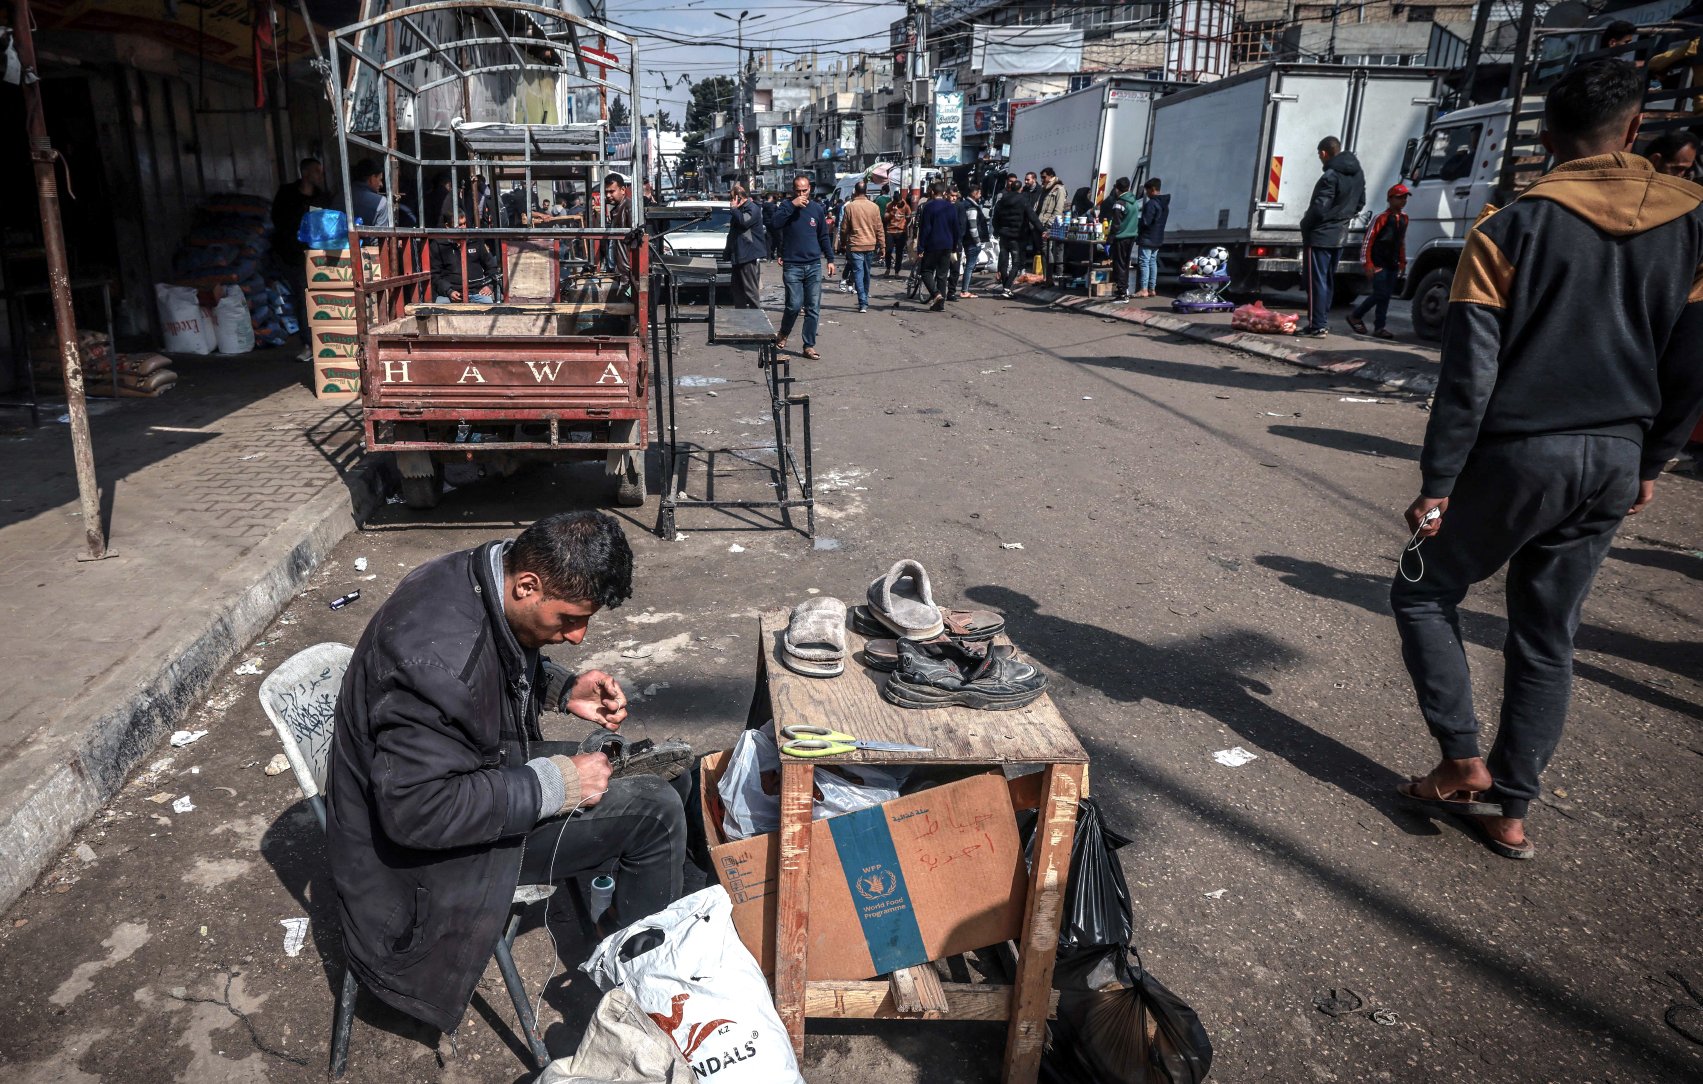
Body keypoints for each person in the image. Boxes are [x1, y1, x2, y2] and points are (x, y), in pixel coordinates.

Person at [1389, 61, 1703, 861]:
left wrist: (1436, 487)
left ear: (1545, 137)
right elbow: (1691, 368)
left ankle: (1461, 760)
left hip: (1518, 454)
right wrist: (1650, 463)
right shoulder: (1693, 226)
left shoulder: (1505, 228)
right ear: (1633, 130)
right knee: (1546, 633)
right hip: (1613, 459)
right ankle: (1511, 809)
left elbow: (1467, 376)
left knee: (1422, 590)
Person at [326, 512, 693, 1036]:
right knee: (654, 812)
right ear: (528, 585)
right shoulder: (435, 661)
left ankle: (631, 922)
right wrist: (560, 784)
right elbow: (417, 814)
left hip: (464, 776)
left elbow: (495, 656)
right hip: (418, 866)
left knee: (652, 768)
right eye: (568, 619)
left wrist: (561, 689)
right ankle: (646, 994)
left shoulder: (484, 572)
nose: (577, 636)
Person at [1298, 136, 1365, 337]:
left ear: (1324, 153)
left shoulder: (1330, 176)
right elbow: (1361, 203)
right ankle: (1322, 322)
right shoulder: (1358, 174)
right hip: (1340, 235)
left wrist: (1305, 223)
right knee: (1327, 280)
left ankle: (1316, 325)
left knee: (1316, 282)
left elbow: (1319, 208)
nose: (1320, 158)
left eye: (1319, 155)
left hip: (1320, 236)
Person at [770, 173, 835, 359]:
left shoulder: (817, 209)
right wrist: (792, 205)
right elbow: (775, 223)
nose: (802, 194)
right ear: (793, 191)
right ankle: (784, 332)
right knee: (793, 305)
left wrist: (830, 259)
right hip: (792, 265)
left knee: (812, 307)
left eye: (804, 191)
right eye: (798, 191)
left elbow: (823, 236)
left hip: (813, 265)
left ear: (810, 189)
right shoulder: (786, 207)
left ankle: (808, 345)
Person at [270, 157, 326, 361]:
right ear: (306, 173)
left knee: (316, 297)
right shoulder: (286, 194)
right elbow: (277, 221)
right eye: (317, 172)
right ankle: (308, 344)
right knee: (303, 298)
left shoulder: (321, 197)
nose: (320, 176)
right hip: (292, 256)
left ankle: (321, 341)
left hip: (315, 255)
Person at [1346, 184, 1409, 338]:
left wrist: (1402, 261)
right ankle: (1356, 315)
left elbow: (1400, 241)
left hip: (1392, 263)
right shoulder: (1381, 218)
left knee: (1385, 297)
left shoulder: (1404, 219)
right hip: (1378, 263)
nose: (1403, 201)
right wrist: (1367, 263)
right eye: (1399, 197)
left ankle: (1379, 327)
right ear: (1390, 199)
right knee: (1380, 294)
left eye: (1405, 197)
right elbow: (1368, 241)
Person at [429, 210, 499, 303]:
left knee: (488, 304)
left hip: (477, 292)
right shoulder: (438, 245)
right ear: (447, 226)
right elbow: (435, 275)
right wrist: (449, 291)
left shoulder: (476, 241)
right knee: (439, 306)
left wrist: (489, 286)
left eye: (464, 223)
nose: (463, 227)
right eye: (459, 224)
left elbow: (491, 267)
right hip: (450, 294)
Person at [836, 180, 884, 313]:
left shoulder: (850, 207)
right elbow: (879, 228)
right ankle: (865, 300)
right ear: (866, 191)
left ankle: (863, 302)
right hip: (870, 245)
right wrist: (883, 247)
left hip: (855, 245)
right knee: (866, 273)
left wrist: (843, 243)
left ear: (855, 192)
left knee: (858, 272)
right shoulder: (874, 207)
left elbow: (844, 228)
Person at [992, 175, 1040, 297]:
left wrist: (997, 230)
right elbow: (1032, 217)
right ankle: (1007, 288)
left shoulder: (1002, 200)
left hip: (1004, 235)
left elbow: (995, 217)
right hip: (1017, 236)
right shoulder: (1023, 200)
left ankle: (1005, 288)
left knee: (1003, 262)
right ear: (1019, 189)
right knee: (1016, 263)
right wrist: (1042, 229)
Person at [915, 180, 959, 312]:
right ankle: (941, 303)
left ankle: (936, 294)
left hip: (932, 245)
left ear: (933, 193)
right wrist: (954, 246)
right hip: (947, 244)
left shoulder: (928, 207)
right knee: (942, 274)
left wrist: (920, 247)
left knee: (926, 271)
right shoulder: (951, 207)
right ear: (944, 193)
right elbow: (956, 228)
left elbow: (925, 229)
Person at [724, 183, 768, 309]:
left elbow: (744, 222)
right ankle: (741, 315)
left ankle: (756, 316)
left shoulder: (751, 208)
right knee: (737, 289)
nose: (731, 202)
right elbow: (733, 233)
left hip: (748, 254)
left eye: (733, 198)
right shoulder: (740, 210)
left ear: (738, 198)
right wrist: (728, 252)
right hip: (738, 255)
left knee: (750, 290)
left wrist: (734, 209)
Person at [1134, 178, 1169, 299]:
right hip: (1158, 237)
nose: (1146, 194)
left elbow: (1145, 222)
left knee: (1144, 262)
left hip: (1147, 237)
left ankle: (1143, 289)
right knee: (1152, 262)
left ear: (1152, 189)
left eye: (1147, 191)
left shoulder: (1151, 204)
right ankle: (1152, 288)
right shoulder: (1164, 205)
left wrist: (1138, 224)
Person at [957, 182, 991, 299]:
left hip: (966, 239)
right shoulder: (971, 207)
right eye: (979, 192)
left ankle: (964, 289)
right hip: (971, 241)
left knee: (969, 265)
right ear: (975, 193)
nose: (980, 195)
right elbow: (973, 227)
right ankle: (965, 290)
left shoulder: (964, 204)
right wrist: (977, 241)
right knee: (970, 266)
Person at [1105, 177, 1136, 302]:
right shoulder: (1133, 202)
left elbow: (1115, 225)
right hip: (1131, 236)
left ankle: (1122, 293)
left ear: (1117, 189)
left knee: (1119, 265)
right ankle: (1124, 290)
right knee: (1125, 264)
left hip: (1121, 238)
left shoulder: (1119, 204)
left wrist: (1109, 241)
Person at [1036, 167, 1069, 281]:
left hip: (1051, 224)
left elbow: (1058, 210)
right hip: (1041, 223)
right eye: (1042, 177)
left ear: (1051, 176)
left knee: (1048, 249)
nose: (1042, 179)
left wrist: (1049, 224)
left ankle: (1050, 277)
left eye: (1044, 177)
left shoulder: (1059, 189)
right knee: (1044, 250)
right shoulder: (1045, 189)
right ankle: (1047, 277)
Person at [349, 159, 392, 235]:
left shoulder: (338, 197)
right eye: (380, 179)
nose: (381, 184)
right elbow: (380, 239)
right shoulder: (381, 202)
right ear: (371, 179)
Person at [883, 190, 913, 276]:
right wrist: (892, 212)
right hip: (890, 231)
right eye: (897, 203)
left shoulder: (905, 206)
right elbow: (885, 218)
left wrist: (908, 219)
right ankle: (888, 268)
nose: (899, 204)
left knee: (899, 253)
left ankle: (897, 271)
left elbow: (909, 217)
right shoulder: (889, 205)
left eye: (900, 202)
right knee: (888, 251)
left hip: (901, 231)